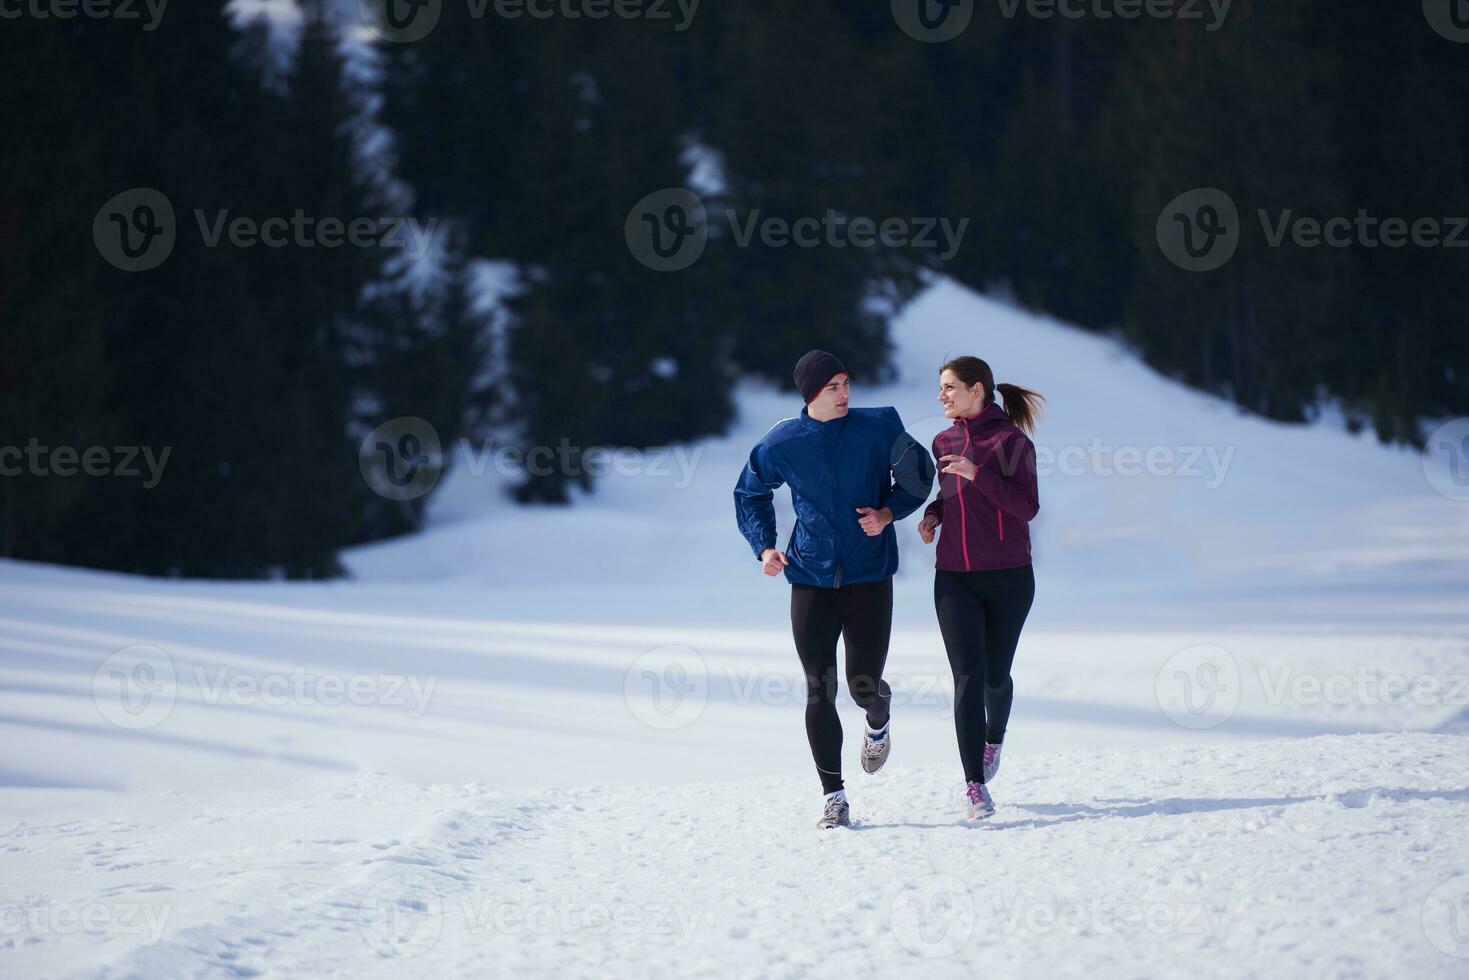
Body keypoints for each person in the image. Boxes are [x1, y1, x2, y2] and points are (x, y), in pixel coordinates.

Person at [734, 350, 935, 829]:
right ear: (811, 395)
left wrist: (888, 513)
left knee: (863, 685)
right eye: (834, 387)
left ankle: (878, 717)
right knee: (818, 688)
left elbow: (920, 475)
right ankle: (834, 797)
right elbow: (750, 491)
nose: (845, 394)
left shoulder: (880, 427)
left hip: (869, 576)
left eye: (847, 383)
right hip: (809, 577)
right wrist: (764, 548)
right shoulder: (782, 441)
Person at [916, 356, 1044, 821]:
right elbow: (950, 497)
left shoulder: (1011, 442)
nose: (941, 396)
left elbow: (1026, 508)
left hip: (1009, 576)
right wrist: (934, 516)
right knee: (967, 676)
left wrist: (978, 474)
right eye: (940, 388)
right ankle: (974, 785)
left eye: (949, 387)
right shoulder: (943, 440)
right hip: (953, 578)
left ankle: (994, 738)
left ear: (977, 390)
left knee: (994, 675)